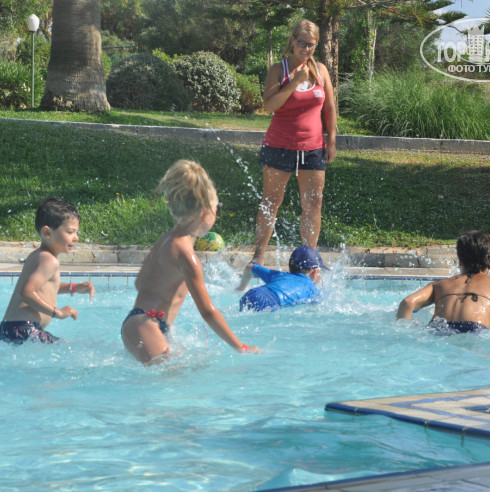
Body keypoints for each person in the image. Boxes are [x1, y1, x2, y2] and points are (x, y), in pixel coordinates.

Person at [121, 160, 259, 364]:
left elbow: (139, 283)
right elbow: (208, 312)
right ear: (204, 213)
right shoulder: (187, 256)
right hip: (147, 324)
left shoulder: (166, 240)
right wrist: (241, 347)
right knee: (174, 376)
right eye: (216, 209)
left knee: (185, 368)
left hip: (142, 322)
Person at [247, 19, 337, 268]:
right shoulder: (279, 69)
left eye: (311, 44)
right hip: (279, 146)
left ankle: (310, 260)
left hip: (313, 148)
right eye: (302, 43)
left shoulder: (321, 71)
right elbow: (269, 106)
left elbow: (330, 108)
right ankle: (258, 256)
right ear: (293, 41)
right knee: (271, 202)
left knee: (313, 204)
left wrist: (331, 141)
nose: (306, 49)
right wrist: (295, 82)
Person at [0, 198, 95, 344]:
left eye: (76, 232)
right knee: (66, 347)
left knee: (63, 345)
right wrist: (58, 313)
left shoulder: (38, 255)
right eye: (70, 232)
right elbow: (27, 292)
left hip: (11, 328)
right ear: (47, 232)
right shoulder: (49, 260)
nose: (76, 238)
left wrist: (74, 287)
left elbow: (45, 288)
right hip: (24, 328)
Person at [396, 230, 490, 333]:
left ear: (460, 260)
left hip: (437, 328)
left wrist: (404, 330)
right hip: (475, 330)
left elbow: (407, 302)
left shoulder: (439, 285)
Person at [237, 246, 327, 312]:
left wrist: (242, 286)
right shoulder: (312, 290)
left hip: (252, 293)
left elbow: (250, 267)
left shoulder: (279, 275)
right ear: (314, 272)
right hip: (270, 302)